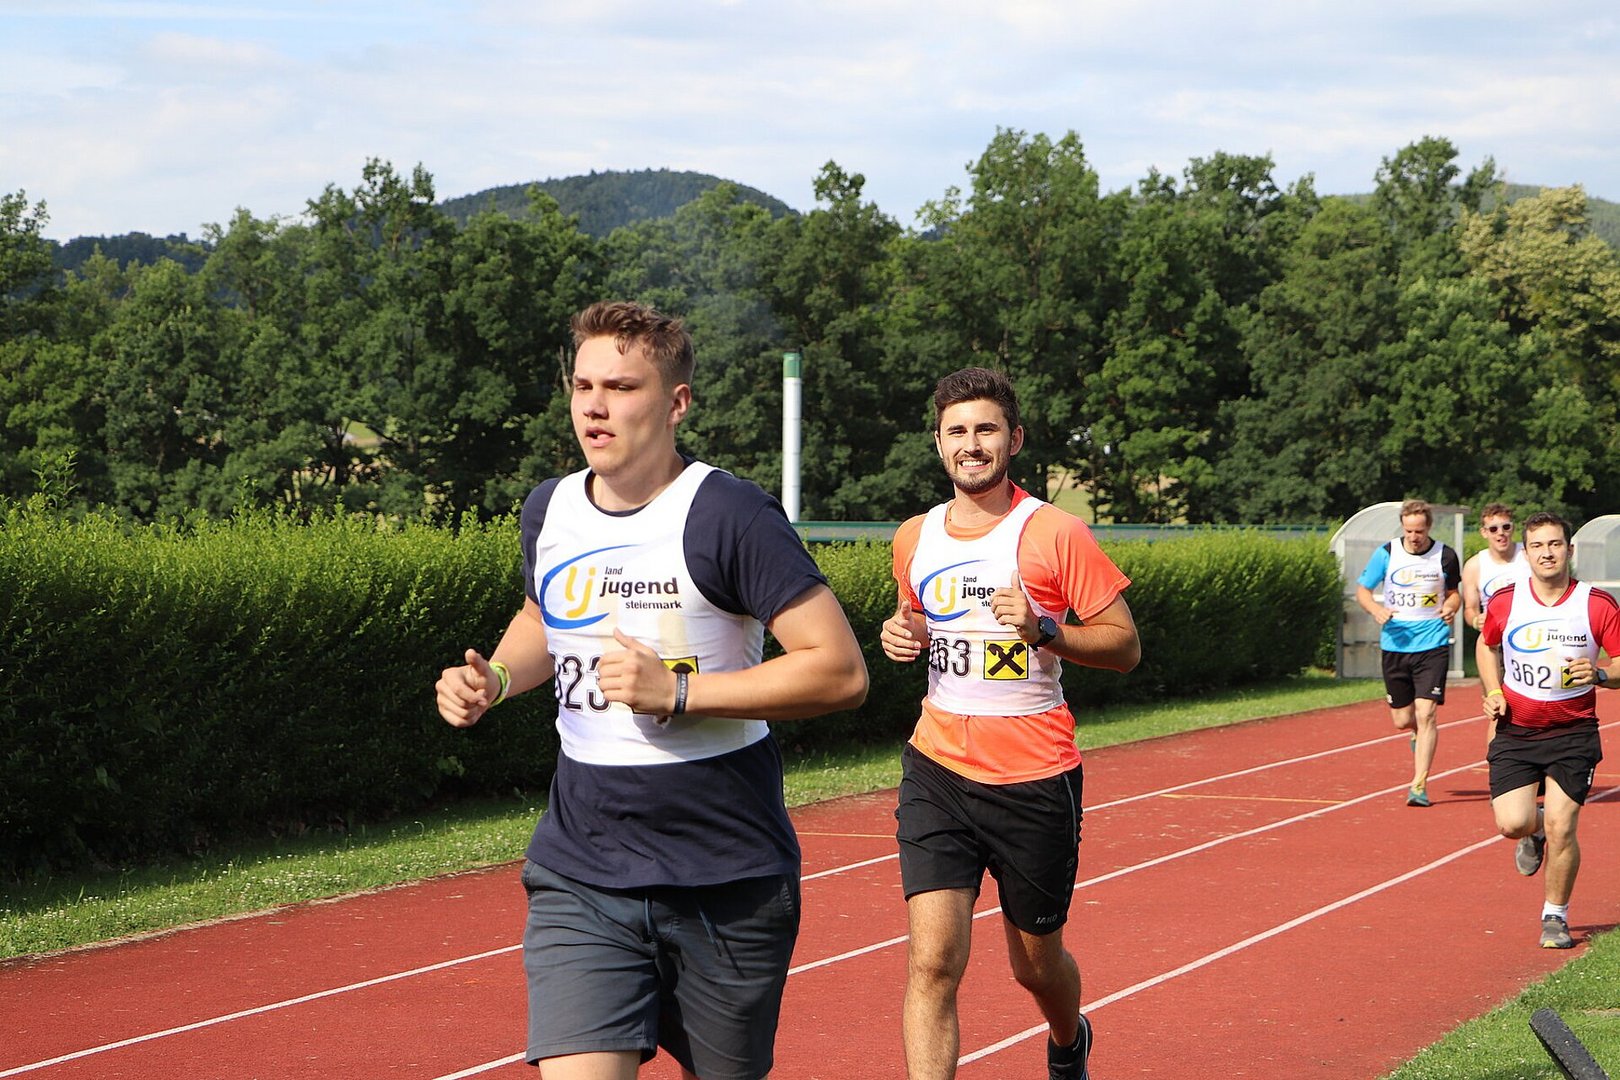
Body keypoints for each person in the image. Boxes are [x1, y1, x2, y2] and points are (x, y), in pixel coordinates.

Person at [435, 300, 869, 1080]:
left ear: (676, 403)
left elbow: (839, 669)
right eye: (582, 386)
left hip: (724, 874)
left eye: (622, 387)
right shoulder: (550, 508)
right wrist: (494, 679)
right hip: (582, 867)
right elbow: (542, 616)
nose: (594, 406)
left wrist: (677, 693)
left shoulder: (730, 514)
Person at [880, 367, 1140, 1080]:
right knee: (933, 962)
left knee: (1035, 965)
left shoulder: (1055, 532)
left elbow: (1124, 646)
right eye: (957, 431)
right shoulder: (914, 536)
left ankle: (1068, 1039)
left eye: (986, 429)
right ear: (939, 443)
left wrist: (1045, 629)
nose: (972, 444)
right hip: (937, 770)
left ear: (1014, 439)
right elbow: (919, 619)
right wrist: (904, 635)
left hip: (1034, 778)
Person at [1477, 511, 1620, 949]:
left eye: (1555, 544)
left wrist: (1599, 674)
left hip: (1573, 733)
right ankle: (1533, 830)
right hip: (1516, 731)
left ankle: (1555, 915)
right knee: (1512, 823)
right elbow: (1487, 645)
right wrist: (1493, 689)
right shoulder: (1506, 601)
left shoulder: (1596, 603)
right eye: (1537, 546)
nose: (1547, 553)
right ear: (1526, 553)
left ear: (1569, 550)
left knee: (1564, 825)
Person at [1354, 499, 1462, 807]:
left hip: (1433, 644)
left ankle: (1419, 785)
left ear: (1429, 528)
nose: (1414, 537)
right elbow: (1363, 589)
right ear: (1403, 527)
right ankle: (1415, 732)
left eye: (1420, 531)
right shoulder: (1387, 553)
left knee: (1427, 713)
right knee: (1403, 720)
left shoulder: (1445, 556)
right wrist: (1376, 609)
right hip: (1396, 645)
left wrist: (1451, 608)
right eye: (1409, 531)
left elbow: (1454, 594)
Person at [1461, 502, 1527, 633]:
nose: (1501, 533)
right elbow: (1470, 609)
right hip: (1495, 635)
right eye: (1493, 529)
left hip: (1529, 631)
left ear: (1513, 528)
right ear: (1484, 532)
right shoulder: (1473, 566)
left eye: (1506, 527)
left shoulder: (1529, 554)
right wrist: (1476, 621)